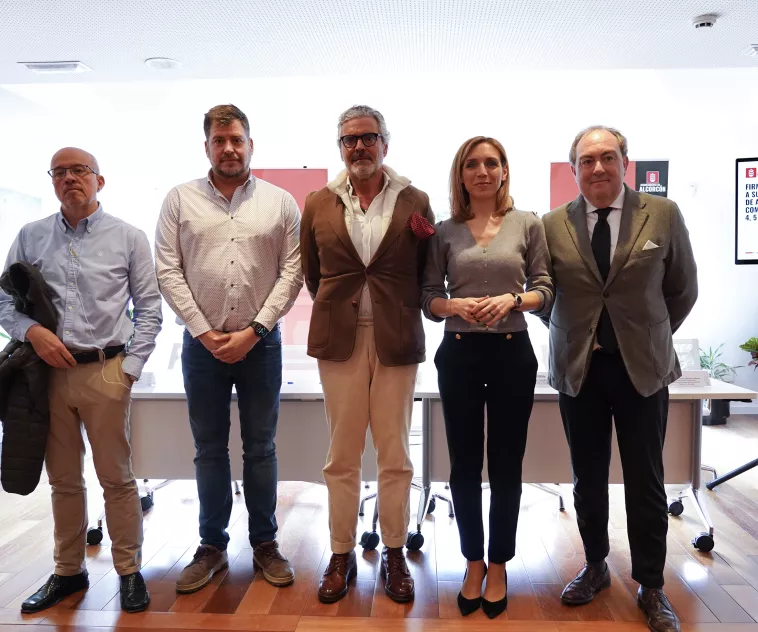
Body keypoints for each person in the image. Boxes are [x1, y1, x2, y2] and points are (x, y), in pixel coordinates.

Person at [542, 126, 698, 632]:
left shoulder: (663, 214)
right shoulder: (551, 225)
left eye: (607, 157)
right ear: (574, 170)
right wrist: (576, 333)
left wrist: (647, 334)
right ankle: (595, 566)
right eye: (586, 160)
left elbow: (683, 289)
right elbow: (544, 296)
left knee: (646, 480)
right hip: (581, 368)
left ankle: (651, 584)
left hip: (642, 370)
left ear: (625, 163)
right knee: (586, 477)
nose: (598, 168)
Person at [0, 147, 163, 613]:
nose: (70, 178)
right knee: (63, 479)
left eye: (79, 170)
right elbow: (4, 302)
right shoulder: (30, 236)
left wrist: (129, 369)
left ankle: (129, 570)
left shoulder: (129, 237)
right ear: (52, 181)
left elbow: (149, 307)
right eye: (60, 172)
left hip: (106, 370)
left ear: (99, 181)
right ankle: (68, 570)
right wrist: (33, 332)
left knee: (117, 477)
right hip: (47, 375)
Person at [155, 104, 303, 593]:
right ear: (207, 147)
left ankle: (265, 543)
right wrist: (203, 332)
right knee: (208, 449)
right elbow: (167, 270)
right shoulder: (179, 200)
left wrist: (254, 331)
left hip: (262, 345)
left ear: (250, 144)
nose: (229, 148)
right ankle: (212, 546)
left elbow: (293, 272)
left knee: (261, 448)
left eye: (237, 139)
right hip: (202, 348)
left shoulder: (280, 202)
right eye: (219, 141)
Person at [301, 105, 435, 604]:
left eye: (368, 137)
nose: (359, 146)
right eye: (349, 139)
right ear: (340, 147)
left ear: (385, 143)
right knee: (342, 454)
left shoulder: (415, 200)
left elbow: (425, 268)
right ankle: (341, 553)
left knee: (395, 453)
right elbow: (313, 274)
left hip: (396, 339)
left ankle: (394, 551)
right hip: (339, 341)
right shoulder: (318, 202)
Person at [421, 136, 553, 618]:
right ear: (461, 174)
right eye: (472, 164)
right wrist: (453, 305)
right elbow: (428, 297)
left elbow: (545, 288)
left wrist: (513, 300)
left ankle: (499, 564)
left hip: (512, 353)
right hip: (458, 353)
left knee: (505, 463)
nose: (482, 171)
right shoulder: (443, 231)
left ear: (504, 171)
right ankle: (472, 561)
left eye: (491, 163)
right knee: (463, 464)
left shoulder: (528, 223)